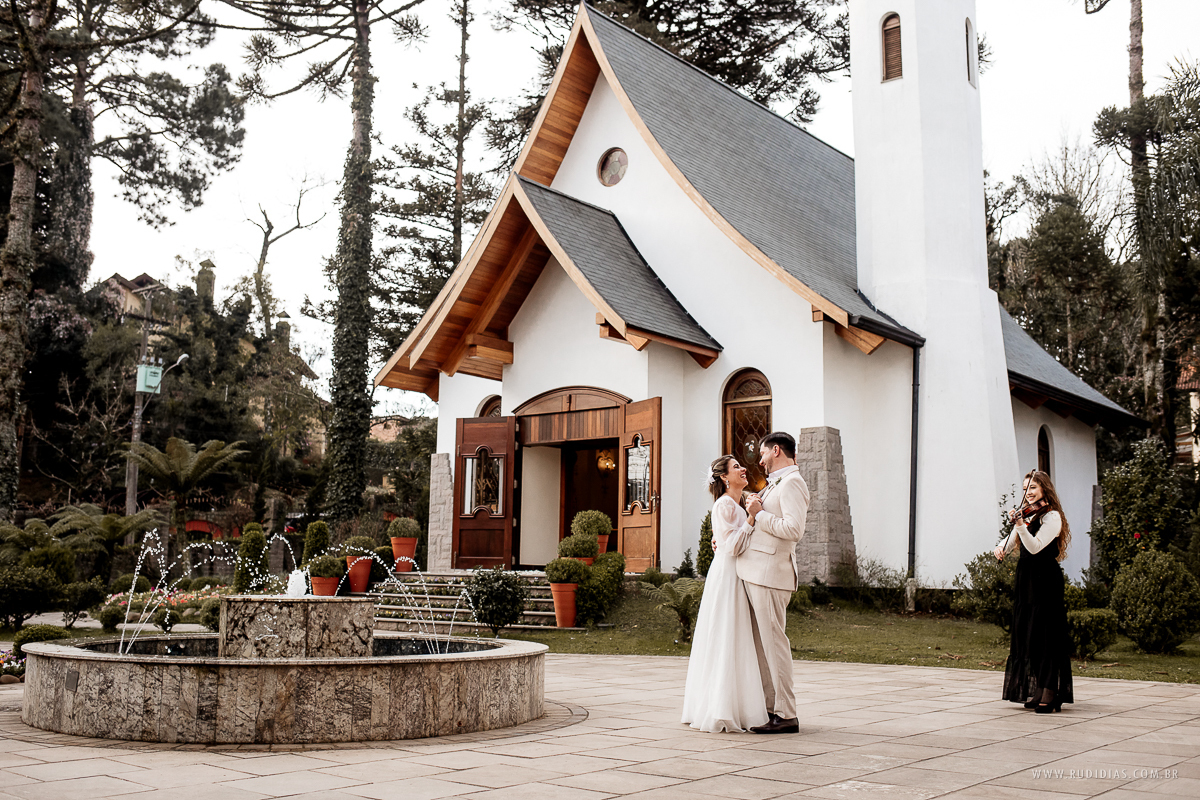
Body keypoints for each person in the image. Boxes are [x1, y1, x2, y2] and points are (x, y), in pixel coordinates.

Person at [680, 456, 769, 732]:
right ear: (724, 478)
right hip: (728, 574)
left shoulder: (739, 503)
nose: (744, 469)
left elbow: (731, 539)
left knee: (737, 634)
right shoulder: (724, 504)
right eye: (736, 468)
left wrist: (749, 517)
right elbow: (731, 547)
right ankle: (720, 705)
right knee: (727, 633)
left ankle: (738, 703)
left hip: (737, 572)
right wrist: (753, 518)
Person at [738, 431, 809, 734]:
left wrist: (759, 512)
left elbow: (793, 529)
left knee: (774, 644)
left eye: (764, 454)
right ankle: (771, 708)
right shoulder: (775, 484)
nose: (761, 460)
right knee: (761, 645)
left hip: (771, 575)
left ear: (776, 450)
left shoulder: (793, 482)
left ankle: (786, 713)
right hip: (758, 572)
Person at [995, 469, 1074, 713]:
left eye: (1033, 488)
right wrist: (1001, 547)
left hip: (1045, 581)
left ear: (1044, 490)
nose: (1028, 493)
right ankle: (1038, 689)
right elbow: (1014, 540)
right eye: (1025, 489)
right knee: (1029, 634)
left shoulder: (1052, 517)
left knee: (1046, 636)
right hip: (1027, 580)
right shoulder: (1029, 515)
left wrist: (1019, 524)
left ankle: (1050, 692)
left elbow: (1036, 546)